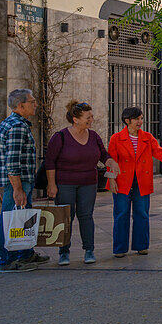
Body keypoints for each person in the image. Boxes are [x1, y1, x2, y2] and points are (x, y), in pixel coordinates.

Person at [45, 100, 117, 265]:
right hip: (64, 183)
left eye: (91, 116)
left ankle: (89, 250)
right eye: (88, 117)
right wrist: (51, 184)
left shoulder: (93, 136)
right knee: (65, 218)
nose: (91, 120)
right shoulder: (60, 137)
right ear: (75, 119)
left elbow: (103, 155)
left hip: (88, 183)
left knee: (86, 216)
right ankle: (64, 252)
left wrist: (111, 162)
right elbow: (50, 162)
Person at [106, 106, 162, 258]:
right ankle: (119, 248)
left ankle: (141, 245)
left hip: (142, 181)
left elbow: (157, 150)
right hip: (122, 181)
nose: (140, 122)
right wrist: (111, 180)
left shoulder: (147, 137)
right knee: (121, 214)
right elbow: (111, 159)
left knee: (142, 213)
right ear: (127, 120)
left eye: (141, 118)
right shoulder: (116, 138)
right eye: (137, 119)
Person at [0, 89, 45, 272]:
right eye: (32, 101)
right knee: (10, 218)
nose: (35, 104)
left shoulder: (16, 123)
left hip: (21, 181)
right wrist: (18, 189)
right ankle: (8, 260)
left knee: (22, 219)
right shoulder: (16, 126)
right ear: (21, 105)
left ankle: (25, 254)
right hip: (17, 182)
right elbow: (12, 161)